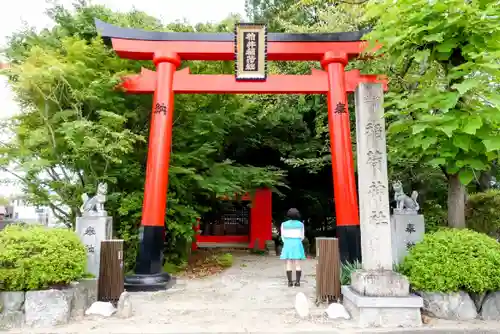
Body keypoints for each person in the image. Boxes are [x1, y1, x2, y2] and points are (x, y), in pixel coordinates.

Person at [280, 208, 306, 287]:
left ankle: (290, 282)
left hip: (288, 243)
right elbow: (302, 236)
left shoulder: (284, 224)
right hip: (297, 243)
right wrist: (297, 240)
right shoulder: (301, 224)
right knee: (297, 263)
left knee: (288, 263)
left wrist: (287, 241)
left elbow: (282, 236)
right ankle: (298, 282)